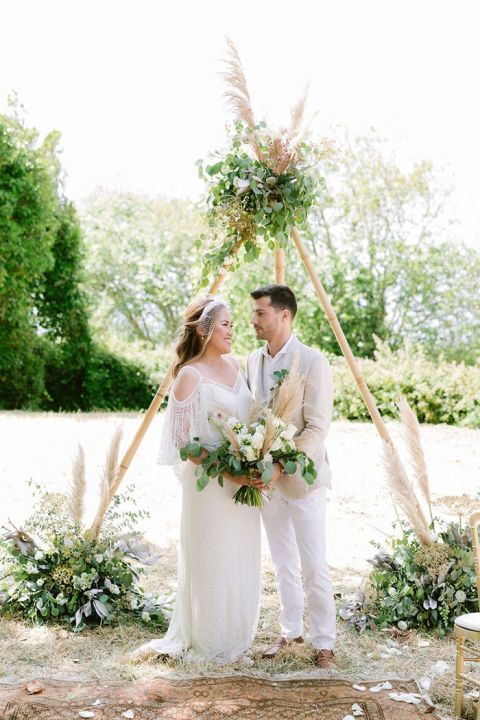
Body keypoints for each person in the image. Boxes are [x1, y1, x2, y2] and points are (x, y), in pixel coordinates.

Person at [132, 295, 261, 664]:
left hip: (242, 483)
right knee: (212, 557)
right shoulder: (190, 376)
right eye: (225, 324)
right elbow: (182, 443)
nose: (232, 330)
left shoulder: (237, 368)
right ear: (204, 331)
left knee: (240, 555)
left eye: (233, 324)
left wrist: (253, 459)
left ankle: (237, 637)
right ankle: (210, 641)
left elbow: (250, 420)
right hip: (209, 485)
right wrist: (227, 467)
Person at [247, 284, 336, 668]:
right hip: (266, 483)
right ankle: (290, 630)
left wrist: (281, 464)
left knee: (313, 563)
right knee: (282, 560)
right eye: (253, 314)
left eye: (260, 313)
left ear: (284, 315)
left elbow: (317, 428)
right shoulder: (251, 360)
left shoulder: (313, 361)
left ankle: (324, 642)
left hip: (302, 480)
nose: (253, 321)